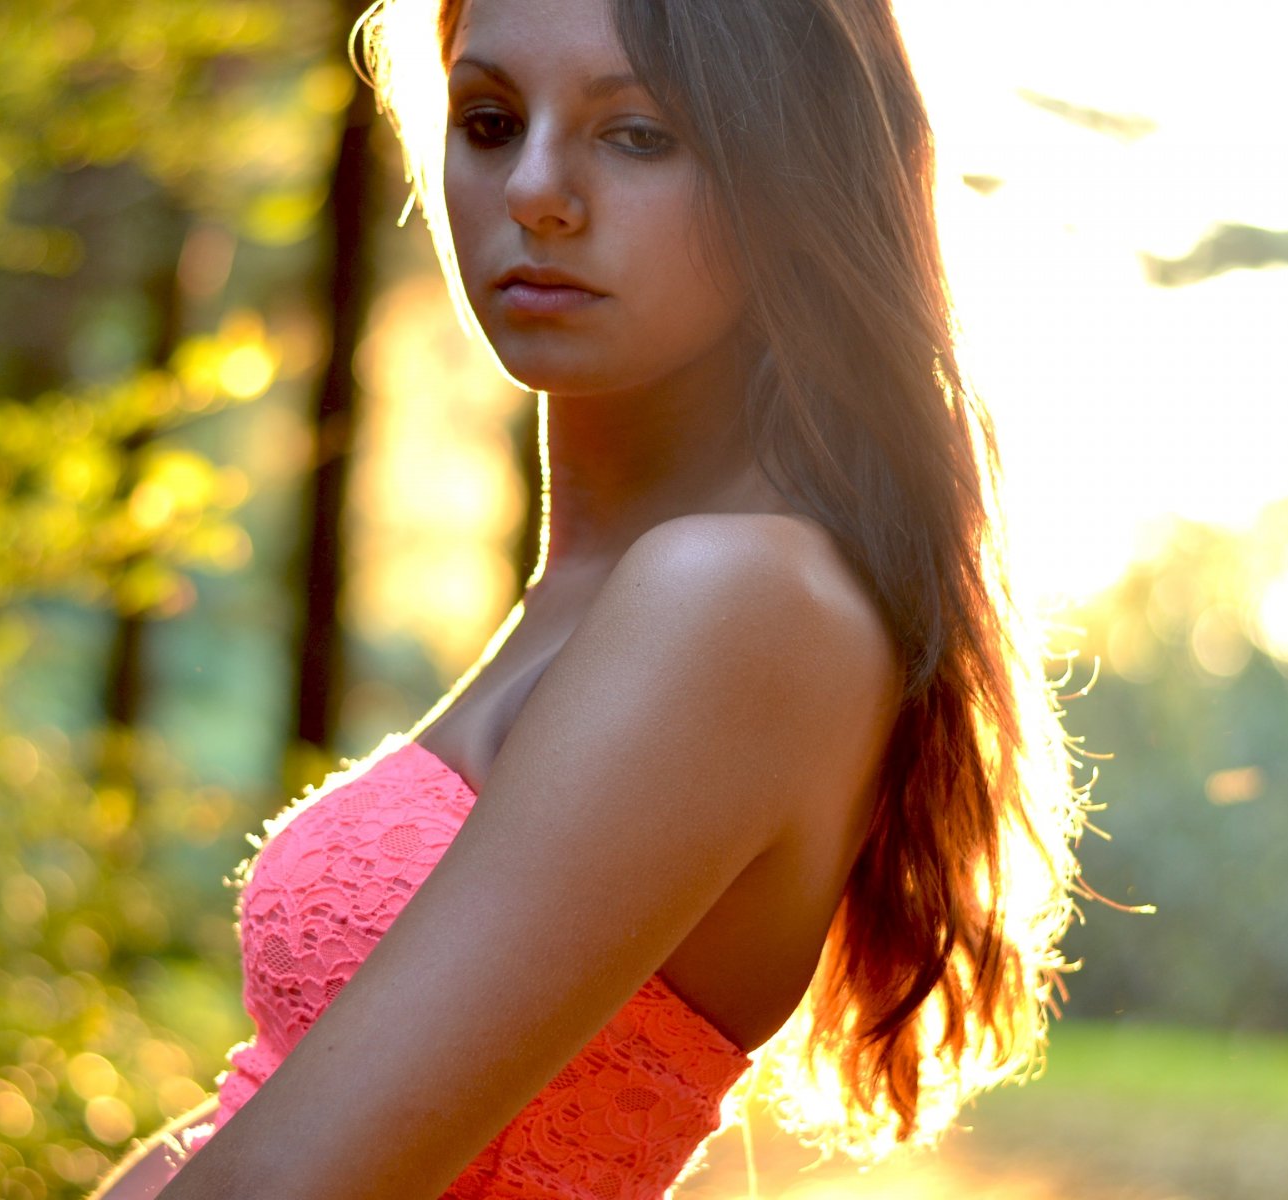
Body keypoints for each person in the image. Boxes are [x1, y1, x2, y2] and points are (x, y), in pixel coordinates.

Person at [93, 0, 1090, 1194]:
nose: (536, 190)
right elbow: (245, 1124)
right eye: (491, 120)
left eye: (638, 135)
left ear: (789, 171)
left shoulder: (737, 599)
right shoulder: (607, 589)